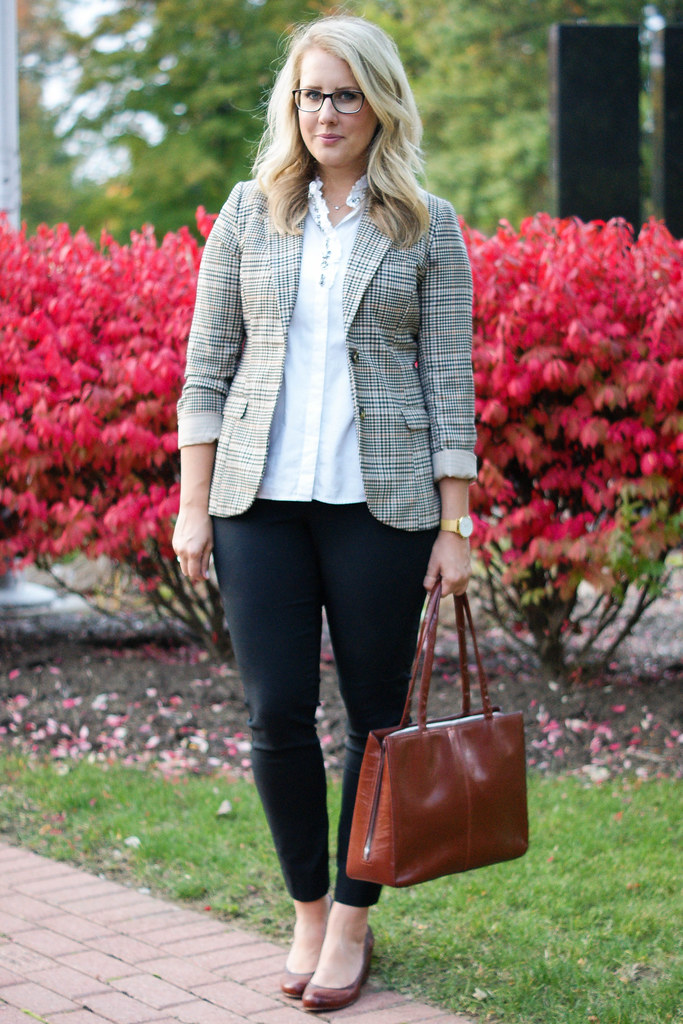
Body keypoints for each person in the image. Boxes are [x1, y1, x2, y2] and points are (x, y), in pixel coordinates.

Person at [172, 14, 476, 1013]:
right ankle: (306, 904)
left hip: (377, 506)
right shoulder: (247, 212)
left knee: (376, 724)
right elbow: (205, 370)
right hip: (255, 504)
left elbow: (448, 381)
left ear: (378, 103)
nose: (326, 112)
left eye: (344, 94)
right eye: (310, 94)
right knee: (273, 714)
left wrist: (455, 521)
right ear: (289, 106)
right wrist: (190, 507)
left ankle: (352, 919)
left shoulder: (425, 223)